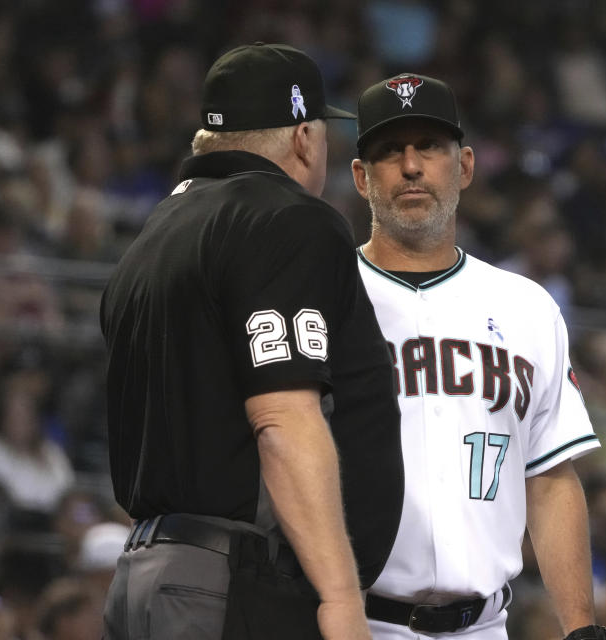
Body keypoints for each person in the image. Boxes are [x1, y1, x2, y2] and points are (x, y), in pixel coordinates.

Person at [99, 43, 404, 640]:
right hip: (231, 586)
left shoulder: (157, 232)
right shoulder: (284, 218)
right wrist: (341, 597)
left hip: (148, 573)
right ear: (303, 138)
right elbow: (283, 418)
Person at [349, 73, 606, 640]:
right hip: (356, 621)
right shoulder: (325, 296)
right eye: (390, 151)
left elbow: (550, 477)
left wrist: (581, 628)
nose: (411, 166)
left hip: (485, 626)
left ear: (464, 166)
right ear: (361, 177)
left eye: (429, 148)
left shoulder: (526, 305)